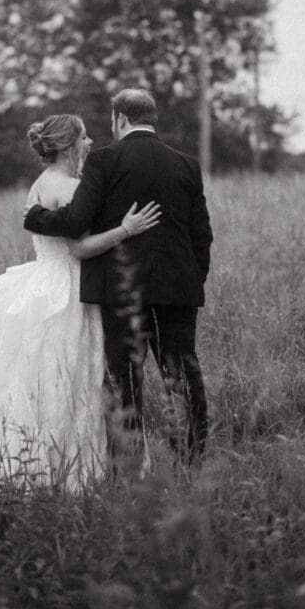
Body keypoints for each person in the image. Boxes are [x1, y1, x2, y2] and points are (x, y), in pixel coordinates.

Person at [0, 114, 160, 494]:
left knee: (31, 380)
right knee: (72, 378)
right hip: (67, 290)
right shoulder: (71, 188)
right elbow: (78, 247)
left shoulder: (39, 185)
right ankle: (66, 473)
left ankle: (22, 460)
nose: (90, 143)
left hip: (41, 285)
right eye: (85, 137)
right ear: (69, 144)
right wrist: (126, 230)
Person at [24, 88, 213, 467]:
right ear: (150, 117)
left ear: (120, 119)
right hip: (178, 291)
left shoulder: (105, 161)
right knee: (182, 377)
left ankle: (126, 468)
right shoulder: (186, 164)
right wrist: (192, 281)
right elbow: (202, 235)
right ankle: (191, 463)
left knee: (124, 381)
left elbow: (76, 221)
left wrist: (35, 216)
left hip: (121, 293)